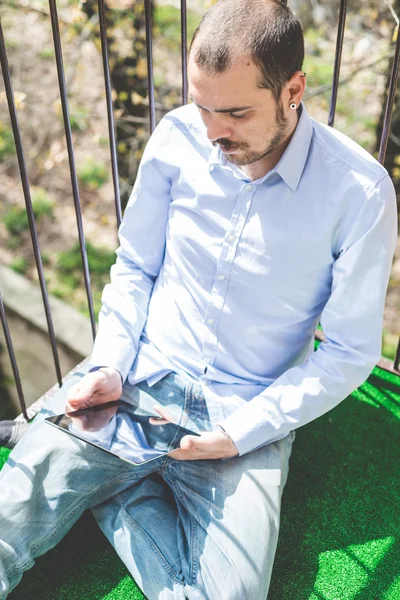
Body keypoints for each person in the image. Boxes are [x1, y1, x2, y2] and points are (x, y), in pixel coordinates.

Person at [0, 0, 398, 598]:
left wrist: (242, 434)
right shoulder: (177, 137)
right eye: (203, 106)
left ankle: (116, 485)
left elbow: (347, 351)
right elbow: (135, 265)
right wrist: (109, 361)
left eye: (236, 112)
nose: (213, 132)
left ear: (294, 90)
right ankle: (104, 460)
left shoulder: (360, 193)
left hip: (245, 412)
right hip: (135, 380)